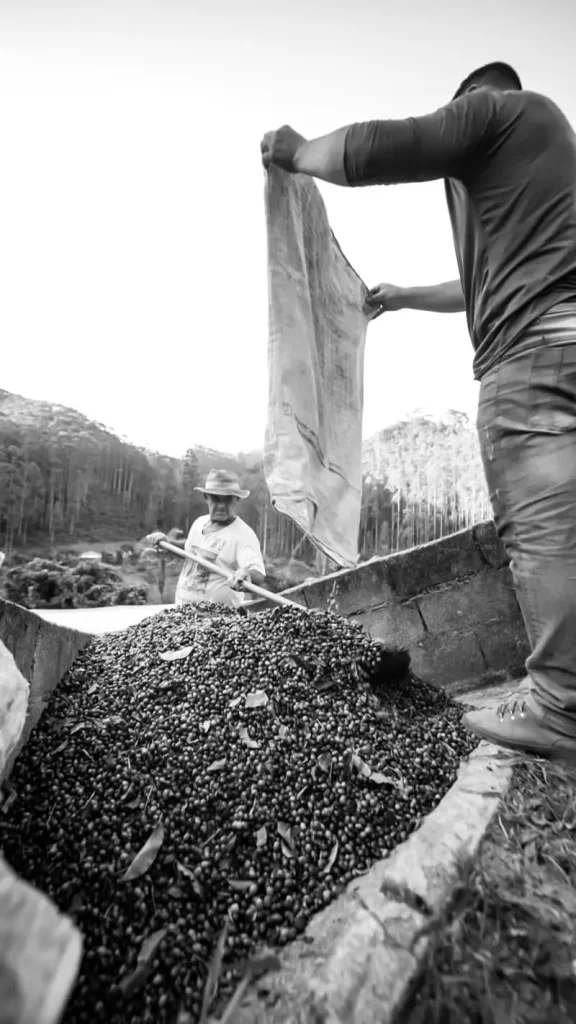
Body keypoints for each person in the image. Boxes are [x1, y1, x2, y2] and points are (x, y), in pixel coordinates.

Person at [261, 61, 576, 763]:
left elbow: (390, 145)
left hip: (529, 360)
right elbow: (477, 284)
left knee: (541, 535)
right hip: (567, 340)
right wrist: (401, 295)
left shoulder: (498, 111)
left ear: (470, 96)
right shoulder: (547, 160)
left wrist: (299, 151)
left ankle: (559, 707)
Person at [147, 469, 266, 609]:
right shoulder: (199, 523)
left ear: (236, 499)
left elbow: (257, 573)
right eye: (216, 498)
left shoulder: (243, 535)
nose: (221, 506)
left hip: (216, 622)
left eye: (227, 499)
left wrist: (245, 575)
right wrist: (168, 544)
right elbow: (191, 550)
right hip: (182, 615)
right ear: (206, 497)